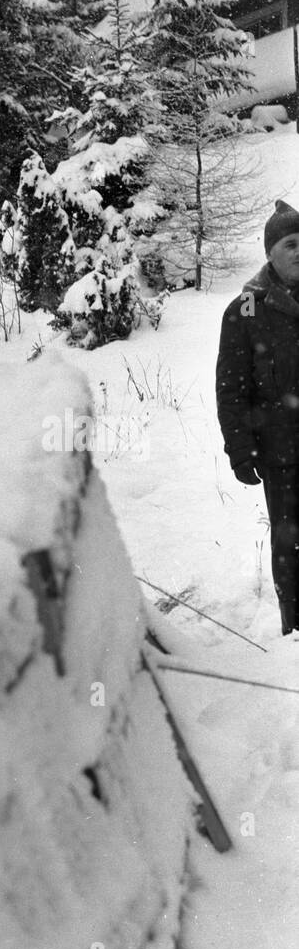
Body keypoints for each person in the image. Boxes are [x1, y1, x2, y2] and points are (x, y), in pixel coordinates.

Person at [217, 200, 299, 636]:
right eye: (291, 243)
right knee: (290, 544)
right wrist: (240, 449)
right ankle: (295, 628)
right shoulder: (246, 309)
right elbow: (231, 388)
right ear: (270, 253)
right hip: (280, 452)